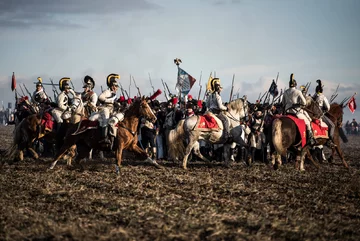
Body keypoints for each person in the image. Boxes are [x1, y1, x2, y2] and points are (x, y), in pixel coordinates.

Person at [282, 73, 315, 145]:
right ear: (295, 84)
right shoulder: (298, 92)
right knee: (308, 122)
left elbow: (283, 103)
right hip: (296, 112)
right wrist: (298, 104)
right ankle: (310, 139)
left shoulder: (285, 92)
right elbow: (304, 103)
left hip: (287, 112)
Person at [90, 73, 122, 146]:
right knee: (106, 119)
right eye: (116, 86)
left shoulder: (114, 94)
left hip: (112, 109)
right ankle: (104, 137)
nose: (117, 88)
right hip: (105, 108)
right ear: (113, 86)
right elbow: (101, 97)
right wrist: (111, 101)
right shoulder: (107, 91)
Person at [312, 79, 336, 147]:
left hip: (311, 115)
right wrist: (324, 110)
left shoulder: (313, 96)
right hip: (319, 115)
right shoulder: (323, 97)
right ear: (321, 90)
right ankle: (329, 141)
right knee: (332, 126)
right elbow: (328, 108)